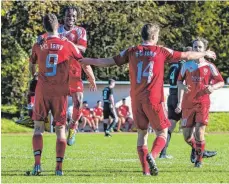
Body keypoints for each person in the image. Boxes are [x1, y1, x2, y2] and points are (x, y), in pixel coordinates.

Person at [79, 23, 216, 175]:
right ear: (154, 36)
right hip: (154, 98)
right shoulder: (161, 51)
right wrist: (205, 53)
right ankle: (153, 155)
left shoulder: (131, 51)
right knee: (163, 133)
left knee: (142, 134)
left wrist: (86, 60)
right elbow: (187, 55)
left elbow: (108, 61)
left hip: (136, 100)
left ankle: (146, 172)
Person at [29, 13, 83, 176]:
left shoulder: (38, 44)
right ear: (58, 24)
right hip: (60, 91)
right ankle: (59, 168)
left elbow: (32, 66)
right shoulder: (66, 44)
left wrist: (35, 75)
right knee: (60, 129)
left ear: (43, 27)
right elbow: (82, 59)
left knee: (38, 128)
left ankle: (37, 166)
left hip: (43, 90)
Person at [37, 5, 97, 146]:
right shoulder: (58, 30)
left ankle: (74, 126)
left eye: (74, 16)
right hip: (59, 72)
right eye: (69, 16)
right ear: (63, 17)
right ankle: (44, 120)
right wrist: (40, 38)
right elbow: (43, 37)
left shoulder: (80, 31)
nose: (72, 18)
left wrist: (66, 43)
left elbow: (82, 48)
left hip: (75, 71)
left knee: (79, 101)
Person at [159, 47, 217, 160]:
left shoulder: (173, 65)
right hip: (181, 96)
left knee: (170, 126)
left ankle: (163, 152)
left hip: (171, 95)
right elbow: (183, 84)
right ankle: (196, 153)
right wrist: (180, 102)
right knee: (194, 127)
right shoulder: (187, 66)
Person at [175, 37, 224, 167]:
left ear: (205, 50)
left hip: (203, 103)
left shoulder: (209, 66)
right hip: (188, 103)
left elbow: (221, 81)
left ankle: (199, 161)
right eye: (195, 47)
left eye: (200, 47)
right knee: (186, 136)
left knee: (199, 132)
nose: (197, 49)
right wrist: (183, 87)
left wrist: (212, 87)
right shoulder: (186, 65)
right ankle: (198, 150)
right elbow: (179, 81)